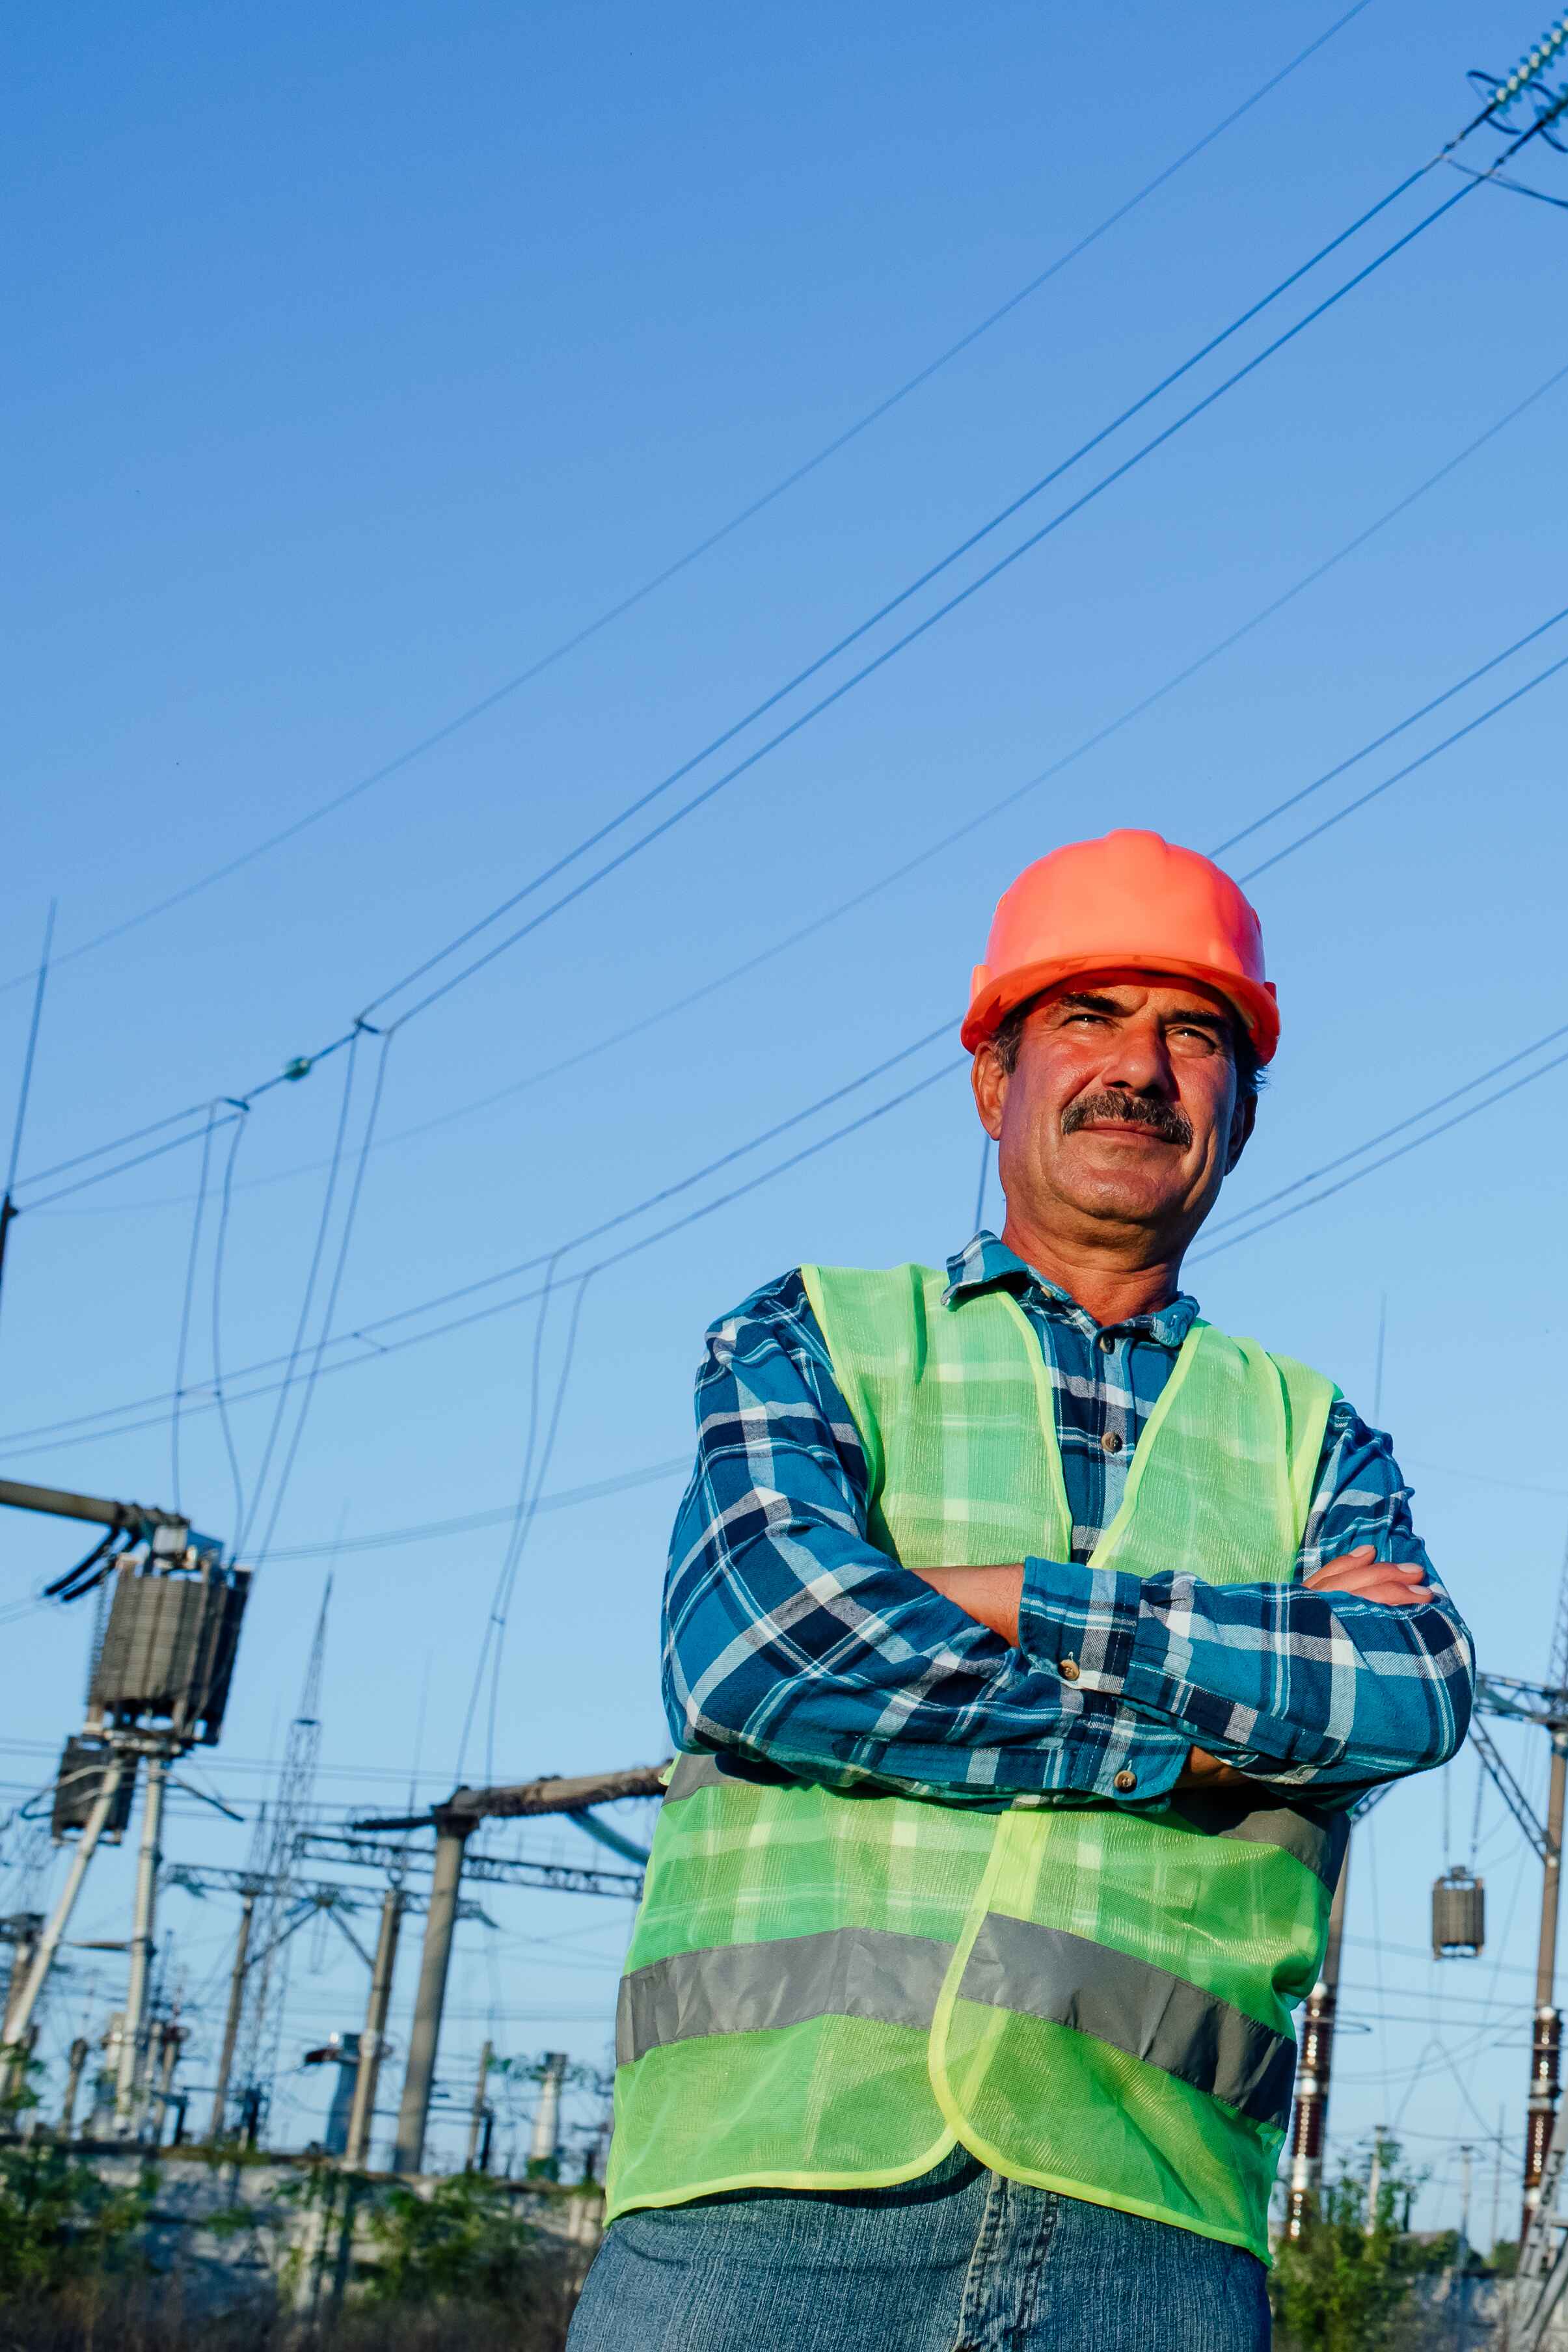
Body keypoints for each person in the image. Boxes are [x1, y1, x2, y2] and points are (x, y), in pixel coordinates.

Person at [573, 830, 1476, 2352]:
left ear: (1241, 1116)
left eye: (1193, 1033)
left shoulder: (1313, 1430)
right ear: (994, 1081)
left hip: (1153, 2218)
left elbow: (1408, 1688)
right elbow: (767, 1645)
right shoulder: (817, 1335)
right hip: (768, 2196)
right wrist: (1176, 1743)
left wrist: (1004, 1596)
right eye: (1088, 1019)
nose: (1139, 1066)